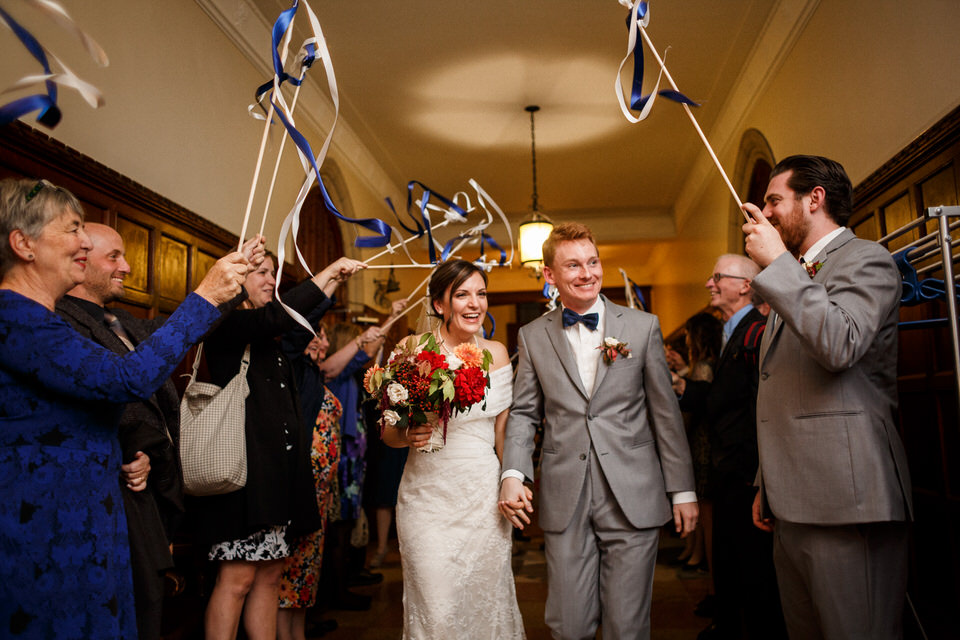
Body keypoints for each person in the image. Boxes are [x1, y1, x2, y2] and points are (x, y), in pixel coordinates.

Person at [0, 177, 255, 638]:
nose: (84, 241)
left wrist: (121, 449)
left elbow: (65, 409)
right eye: (72, 229)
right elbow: (125, 379)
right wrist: (204, 297)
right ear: (24, 244)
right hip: (47, 529)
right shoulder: (15, 317)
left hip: (86, 517)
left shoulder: (39, 318)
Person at [741, 155, 912, 639]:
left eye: (775, 200)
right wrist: (765, 482)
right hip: (790, 502)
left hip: (847, 500)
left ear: (814, 198)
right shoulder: (793, 274)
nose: (767, 213)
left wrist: (777, 264)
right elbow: (784, 385)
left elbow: (840, 344)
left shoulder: (867, 259)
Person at [499, 222, 697, 640]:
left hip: (633, 491)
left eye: (593, 262)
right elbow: (524, 413)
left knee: (627, 626)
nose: (587, 273)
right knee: (567, 624)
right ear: (550, 275)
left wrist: (683, 489)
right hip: (565, 492)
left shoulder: (642, 327)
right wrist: (514, 473)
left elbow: (666, 414)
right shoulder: (533, 337)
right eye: (573, 265)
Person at [56, 222, 217, 640]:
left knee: (147, 607)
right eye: (114, 257)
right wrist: (135, 448)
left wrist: (231, 286)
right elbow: (114, 391)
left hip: (153, 485)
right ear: (81, 260)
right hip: (114, 491)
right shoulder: (61, 322)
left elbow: (188, 328)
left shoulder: (122, 320)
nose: (127, 267)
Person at [194, 252, 365, 640]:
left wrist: (334, 282)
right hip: (241, 480)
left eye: (273, 273)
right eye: (261, 273)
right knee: (236, 580)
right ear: (236, 279)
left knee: (270, 577)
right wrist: (327, 271)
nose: (270, 280)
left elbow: (300, 325)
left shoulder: (273, 339)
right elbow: (276, 318)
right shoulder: (226, 323)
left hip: (276, 481)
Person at [382, 259, 524, 639]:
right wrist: (406, 434)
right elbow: (389, 433)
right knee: (437, 611)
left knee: (484, 604)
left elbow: (503, 431)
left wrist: (513, 479)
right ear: (440, 304)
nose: (475, 303)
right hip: (427, 501)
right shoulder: (412, 350)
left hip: (481, 499)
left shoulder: (497, 352)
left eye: (481, 293)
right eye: (462, 294)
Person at [673, 254, 785, 640]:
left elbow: (759, 404)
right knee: (731, 562)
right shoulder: (732, 331)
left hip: (746, 473)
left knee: (753, 569)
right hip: (730, 473)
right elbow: (725, 395)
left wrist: (762, 481)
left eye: (717, 277)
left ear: (744, 286)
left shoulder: (757, 331)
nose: (709, 284)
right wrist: (686, 388)